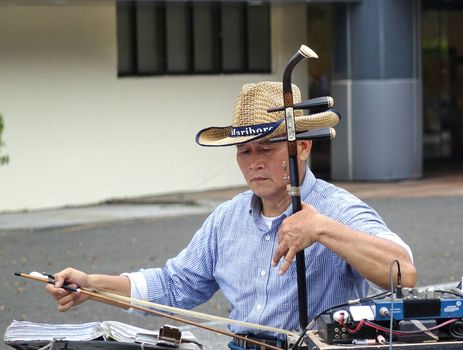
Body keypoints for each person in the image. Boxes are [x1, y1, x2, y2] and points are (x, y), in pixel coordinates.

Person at [46, 81, 416, 350]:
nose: (253, 162)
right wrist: (91, 285)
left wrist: (321, 228)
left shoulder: (336, 208)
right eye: (244, 151)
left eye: (267, 148)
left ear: (302, 147)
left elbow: (404, 270)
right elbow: (174, 285)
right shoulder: (227, 218)